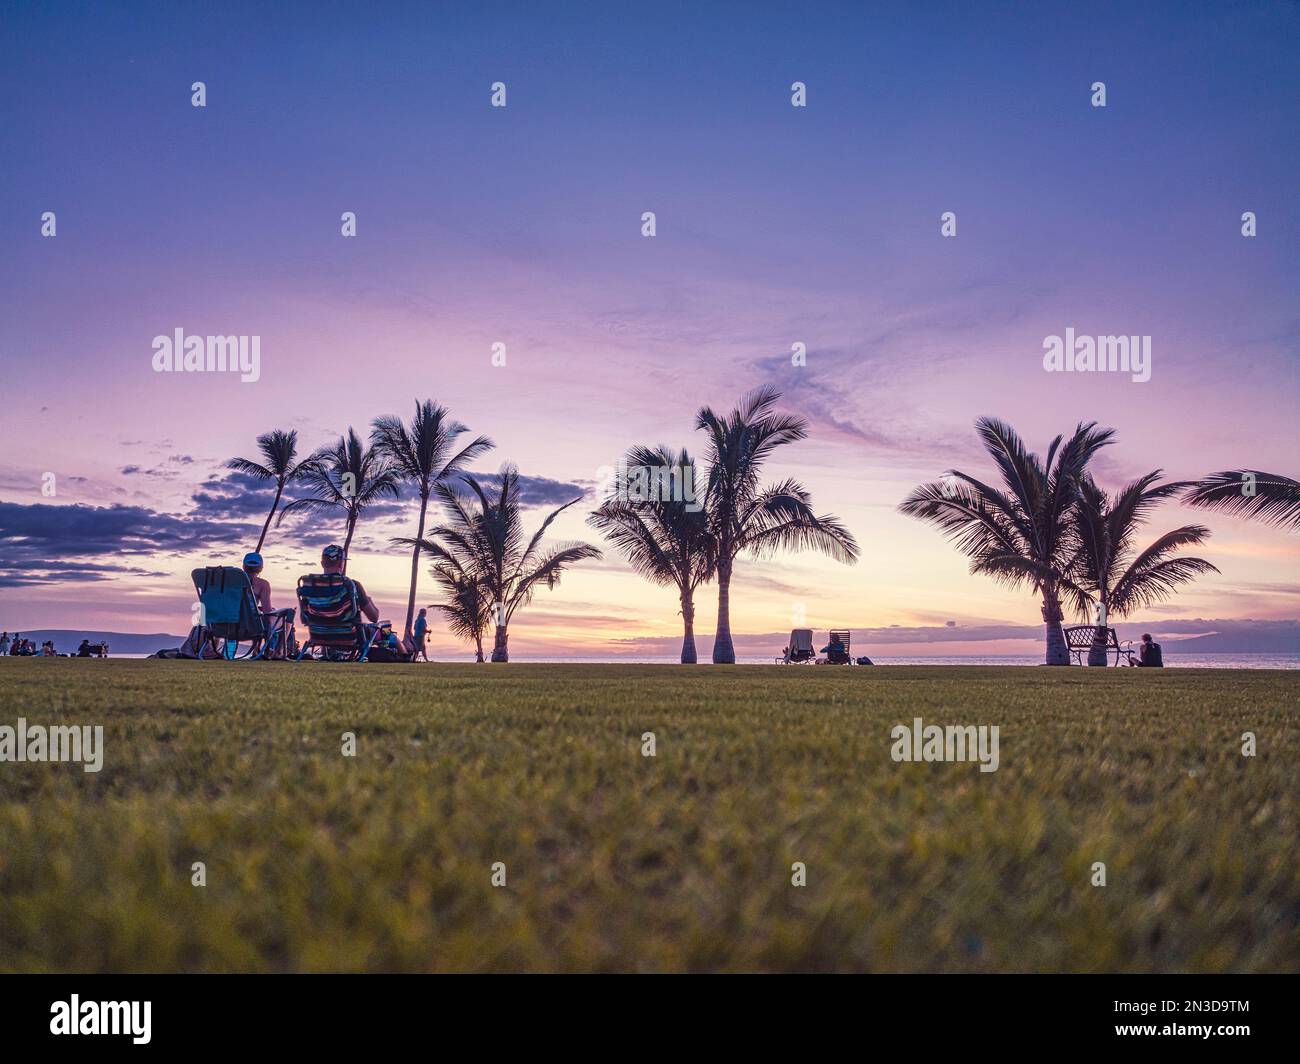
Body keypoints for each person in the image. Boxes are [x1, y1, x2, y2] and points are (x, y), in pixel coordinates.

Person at [242, 551, 296, 659]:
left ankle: (257, 651)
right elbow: (267, 612)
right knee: (287, 615)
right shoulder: (262, 584)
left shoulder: (230, 582)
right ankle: (277, 652)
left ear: (243, 566)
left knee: (258, 616)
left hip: (230, 623)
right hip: (251, 624)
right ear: (260, 568)